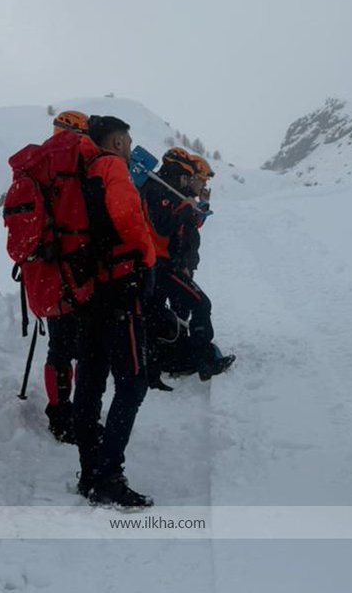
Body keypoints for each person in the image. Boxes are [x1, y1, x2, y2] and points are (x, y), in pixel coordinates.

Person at [72, 115, 158, 508]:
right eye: (127, 138)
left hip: (88, 290)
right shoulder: (111, 167)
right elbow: (127, 216)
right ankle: (108, 476)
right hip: (121, 290)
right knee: (133, 383)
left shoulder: (81, 172)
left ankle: (90, 470)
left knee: (90, 381)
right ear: (119, 141)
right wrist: (148, 258)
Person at [142, 148, 235, 381]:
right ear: (183, 174)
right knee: (200, 305)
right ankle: (201, 359)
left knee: (160, 314)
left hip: (167, 265)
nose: (201, 185)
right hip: (161, 267)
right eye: (199, 179)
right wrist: (186, 206)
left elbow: (187, 225)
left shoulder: (172, 193)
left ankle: (173, 359)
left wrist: (196, 205)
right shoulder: (158, 190)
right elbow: (163, 227)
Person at [41, 110, 90, 444]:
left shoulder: (38, 160)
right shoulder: (79, 158)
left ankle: (58, 411)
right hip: (78, 263)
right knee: (81, 345)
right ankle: (68, 416)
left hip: (44, 266)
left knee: (58, 345)